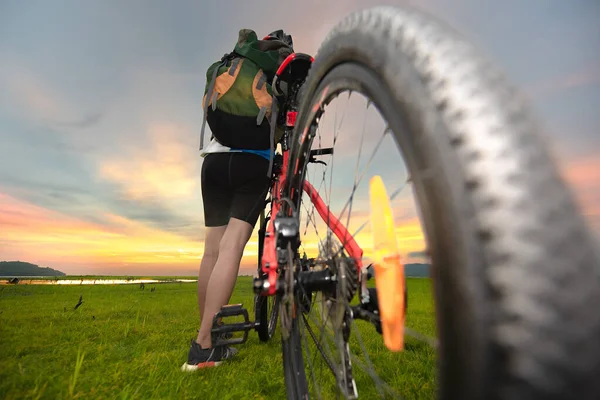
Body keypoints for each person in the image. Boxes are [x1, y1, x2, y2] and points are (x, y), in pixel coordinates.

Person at [182, 29, 293, 370]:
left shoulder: (236, 63)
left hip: (213, 162)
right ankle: (204, 344)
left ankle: (207, 336)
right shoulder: (279, 73)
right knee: (231, 248)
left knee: (211, 251)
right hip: (252, 163)